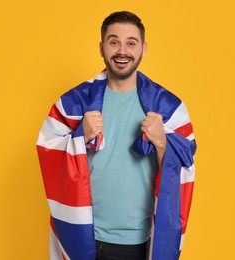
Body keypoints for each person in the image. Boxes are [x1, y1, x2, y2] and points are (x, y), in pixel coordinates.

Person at [37, 11, 197, 260]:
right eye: (114, 42)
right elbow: (47, 149)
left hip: (142, 241)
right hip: (87, 237)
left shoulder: (168, 107)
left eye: (131, 43)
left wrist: (163, 143)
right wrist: (80, 136)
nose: (122, 51)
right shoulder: (75, 103)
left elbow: (184, 169)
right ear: (102, 48)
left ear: (143, 49)